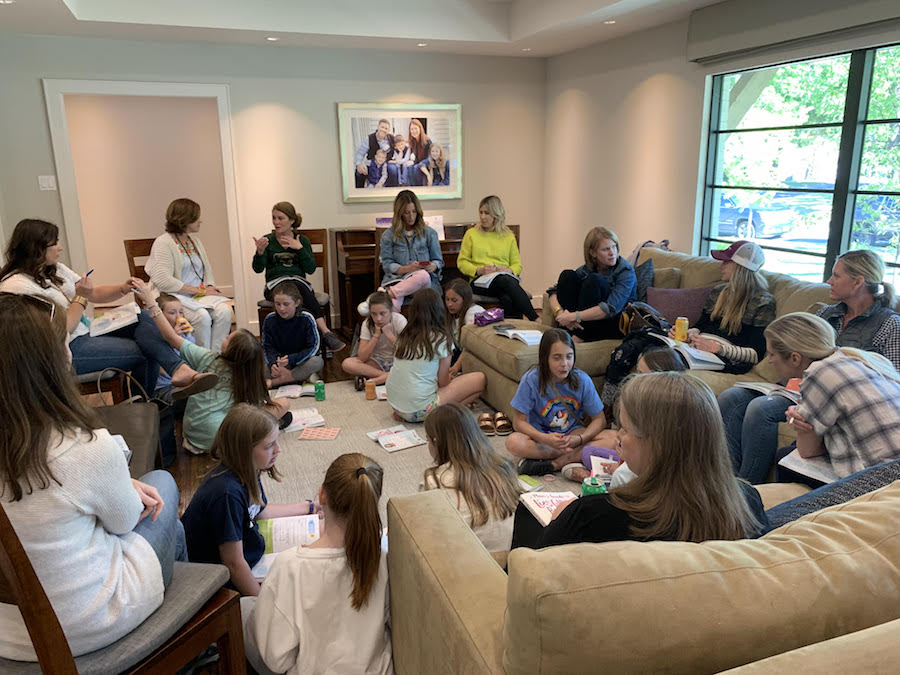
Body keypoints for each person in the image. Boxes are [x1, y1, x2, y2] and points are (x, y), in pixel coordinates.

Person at [0, 293, 186, 660]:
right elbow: (124, 522)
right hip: (88, 625)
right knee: (162, 485)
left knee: (154, 513)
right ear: (48, 362)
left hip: (12, 634)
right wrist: (118, 480)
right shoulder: (80, 446)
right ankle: (180, 648)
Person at [511, 372, 768, 550]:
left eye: (624, 428)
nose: (618, 437)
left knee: (528, 512)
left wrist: (561, 519)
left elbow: (534, 573)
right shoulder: (748, 501)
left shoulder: (595, 514)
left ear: (657, 444)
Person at [719, 250, 900, 483]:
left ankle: (748, 485)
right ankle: (727, 479)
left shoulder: (889, 324)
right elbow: (794, 352)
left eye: (836, 276)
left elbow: (892, 376)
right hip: (796, 387)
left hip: (830, 396)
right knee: (732, 397)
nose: (829, 281)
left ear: (857, 282)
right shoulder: (825, 312)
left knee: (760, 408)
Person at [0, 218, 215, 396]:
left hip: (85, 331)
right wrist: (81, 298)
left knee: (143, 319)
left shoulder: (52, 269)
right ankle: (151, 402)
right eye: (54, 243)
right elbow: (62, 328)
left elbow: (92, 292)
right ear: (36, 248)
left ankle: (174, 375)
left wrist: (122, 288)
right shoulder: (18, 286)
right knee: (146, 349)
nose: (60, 247)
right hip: (65, 349)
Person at [242, 453, 392, 675]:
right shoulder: (385, 560)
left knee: (245, 607)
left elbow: (276, 659)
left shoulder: (290, 566)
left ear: (322, 495)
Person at [135, 280, 289, 454]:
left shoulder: (208, 358)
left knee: (257, 412)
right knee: (283, 404)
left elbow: (170, 337)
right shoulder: (248, 375)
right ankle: (250, 437)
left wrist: (152, 304)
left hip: (192, 436)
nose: (224, 337)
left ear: (230, 351)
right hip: (221, 438)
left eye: (227, 339)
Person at [181, 405, 318, 597]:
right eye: (270, 445)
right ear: (245, 450)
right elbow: (233, 564)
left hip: (246, 552)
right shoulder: (226, 493)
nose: (278, 450)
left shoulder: (248, 470)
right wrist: (264, 606)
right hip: (218, 579)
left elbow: (261, 512)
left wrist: (308, 507)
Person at [761, 312, 900, 479]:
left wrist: (798, 422)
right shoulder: (862, 358)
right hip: (892, 462)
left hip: (880, 477)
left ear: (795, 358)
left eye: (771, 354)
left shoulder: (819, 373)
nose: (769, 360)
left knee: (784, 457)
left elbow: (808, 451)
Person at [567, 346, 687, 484]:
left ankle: (583, 474)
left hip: (642, 472)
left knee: (618, 472)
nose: (634, 378)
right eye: (636, 372)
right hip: (630, 461)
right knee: (589, 451)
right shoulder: (637, 403)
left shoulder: (664, 421)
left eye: (641, 375)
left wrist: (623, 464)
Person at [505, 329, 607, 476]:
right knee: (513, 442)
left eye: (569, 357)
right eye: (557, 358)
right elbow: (518, 422)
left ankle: (555, 463)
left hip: (573, 435)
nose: (564, 364)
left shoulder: (582, 380)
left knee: (613, 438)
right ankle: (572, 457)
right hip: (542, 437)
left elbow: (600, 420)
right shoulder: (531, 380)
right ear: (545, 358)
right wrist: (545, 439)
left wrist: (579, 439)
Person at [421, 403, 521, 552]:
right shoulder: (503, 467)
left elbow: (426, 531)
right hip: (503, 560)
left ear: (436, 442)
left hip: (462, 563)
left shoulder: (433, 480)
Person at [251, 201, 346, 352]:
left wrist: (300, 249)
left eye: (280, 218)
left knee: (297, 287)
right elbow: (257, 269)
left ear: (292, 220)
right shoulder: (267, 240)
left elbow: (310, 269)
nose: (276, 222)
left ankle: (309, 343)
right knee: (294, 287)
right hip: (275, 286)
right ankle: (325, 332)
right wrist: (260, 253)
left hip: (299, 286)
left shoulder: (302, 241)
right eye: (274, 218)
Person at [385, 288, 486, 423]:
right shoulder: (441, 339)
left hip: (395, 405)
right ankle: (445, 414)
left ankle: (431, 410)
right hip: (418, 408)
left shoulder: (404, 335)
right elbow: (443, 383)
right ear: (439, 310)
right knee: (479, 379)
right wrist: (449, 379)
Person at [146, 198, 233, 352]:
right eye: (196, 217)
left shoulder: (195, 241)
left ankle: (216, 357)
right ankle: (201, 359)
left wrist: (210, 286)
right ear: (184, 219)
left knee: (225, 311)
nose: (201, 221)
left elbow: (207, 270)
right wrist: (200, 291)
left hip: (196, 295)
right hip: (173, 296)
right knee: (202, 317)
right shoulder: (163, 243)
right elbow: (163, 281)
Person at [675, 239, 775, 373]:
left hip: (724, 359)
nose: (721, 266)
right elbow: (701, 326)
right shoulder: (718, 291)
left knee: (669, 361)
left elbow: (755, 354)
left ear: (741, 266)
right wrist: (688, 335)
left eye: (727, 262)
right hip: (697, 350)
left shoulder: (762, 302)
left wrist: (719, 348)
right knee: (653, 347)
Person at [547, 227, 637, 342]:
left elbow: (610, 309)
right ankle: (570, 330)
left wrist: (573, 316)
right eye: (606, 249)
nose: (612, 253)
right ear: (593, 253)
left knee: (595, 280)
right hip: (583, 322)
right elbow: (553, 292)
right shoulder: (586, 269)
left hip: (615, 322)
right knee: (567, 275)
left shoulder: (625, 271)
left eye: (614, 247)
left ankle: (579, 337)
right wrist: (561, 314)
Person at [457, 195, 538, 320]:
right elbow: (462, 262)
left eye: (487, 213)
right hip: (480, 281)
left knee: (507, 297)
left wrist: (509, 270)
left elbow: (517, 264)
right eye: (481, 212)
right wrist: (479, 270)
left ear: (496, 214)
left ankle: (511, 330)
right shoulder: (471, 234)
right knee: (506, 281)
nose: (482, 217)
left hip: (504, 280)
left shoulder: (508, 236)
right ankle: (534, 318)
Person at [377, 190, 443, 310]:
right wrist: (406, 269)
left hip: (423, 284)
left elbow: (438, 261)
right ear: (400, 213)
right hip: (398, 280)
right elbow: (386, 264)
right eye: (407, 213)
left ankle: (386, 294)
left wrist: (433, 266)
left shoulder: (429, 233)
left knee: (423, 275)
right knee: (393, 307)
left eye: (414, 212)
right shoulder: (388, 235)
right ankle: (395, 326)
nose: (411, 216)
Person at [154, 292, 196, 466]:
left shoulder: (187, 336)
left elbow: (194, 363)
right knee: (197, 398)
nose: (178, 317)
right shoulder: (153, 339)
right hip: (165, 390)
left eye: (181, 312)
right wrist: (173, 339)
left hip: (185, 385)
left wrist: (184, 340)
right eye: (172, 313)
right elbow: (164, 371)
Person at [262, 281, 323, 387]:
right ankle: (299, 377)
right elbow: (267, 347)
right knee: (258, 366)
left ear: (297, 303)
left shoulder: (306, 318)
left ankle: (280, 380)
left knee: (317, 362)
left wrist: (292, 359)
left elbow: (314, 347)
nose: (281, 308)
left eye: (286, 304)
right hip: (280, 363)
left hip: (300, 361)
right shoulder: (269, 320)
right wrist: (273, 363)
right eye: (278, 304)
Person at [342, 290, 407, 389]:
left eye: (382, 313)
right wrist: (376, 336)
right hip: (377, 362)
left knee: (414, 367)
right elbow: (362, 357)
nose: (378, 319)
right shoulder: (367, 323)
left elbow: (407, 352)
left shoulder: (399, 320)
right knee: (347, 363)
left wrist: (389, 334)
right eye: (374, 314)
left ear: (390, 311)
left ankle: (376, 379)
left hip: (398, 361)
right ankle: (386, 377)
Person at [445, 278, 485, 377]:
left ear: (465, 299)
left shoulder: (473, 312)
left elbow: (470, 346)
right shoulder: (451, 316)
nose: (449, 304)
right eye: (447, 299)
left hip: (474, 354)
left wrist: (456, 367)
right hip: (461, 352)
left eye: (454, 300)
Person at [354, 118, 397, 188]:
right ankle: (359, 193)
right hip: (372, 164)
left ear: (388, 130)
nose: (384, 130)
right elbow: (360, 153)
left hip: (386, 163)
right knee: (359, 171)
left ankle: (391, 190)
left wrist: (397, 160)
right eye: (382, 127)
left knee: (393, 169)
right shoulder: (369, 138)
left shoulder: (392, 138)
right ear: (378, 127)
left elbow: (399, 148)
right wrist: (359, 163)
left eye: (386, 128)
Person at [406, 118, 431, 186]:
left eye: (415, 128)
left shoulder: (427, 141)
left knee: (415, 167)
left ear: (420, 128)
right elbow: (413, 155)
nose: (414, 131)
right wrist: (411, 161)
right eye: (412, 129)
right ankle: (412, 187)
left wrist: (413, 162)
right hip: (417, 161)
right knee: (409, 166)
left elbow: (426, 159)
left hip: (425, 163)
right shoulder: (413, 141)